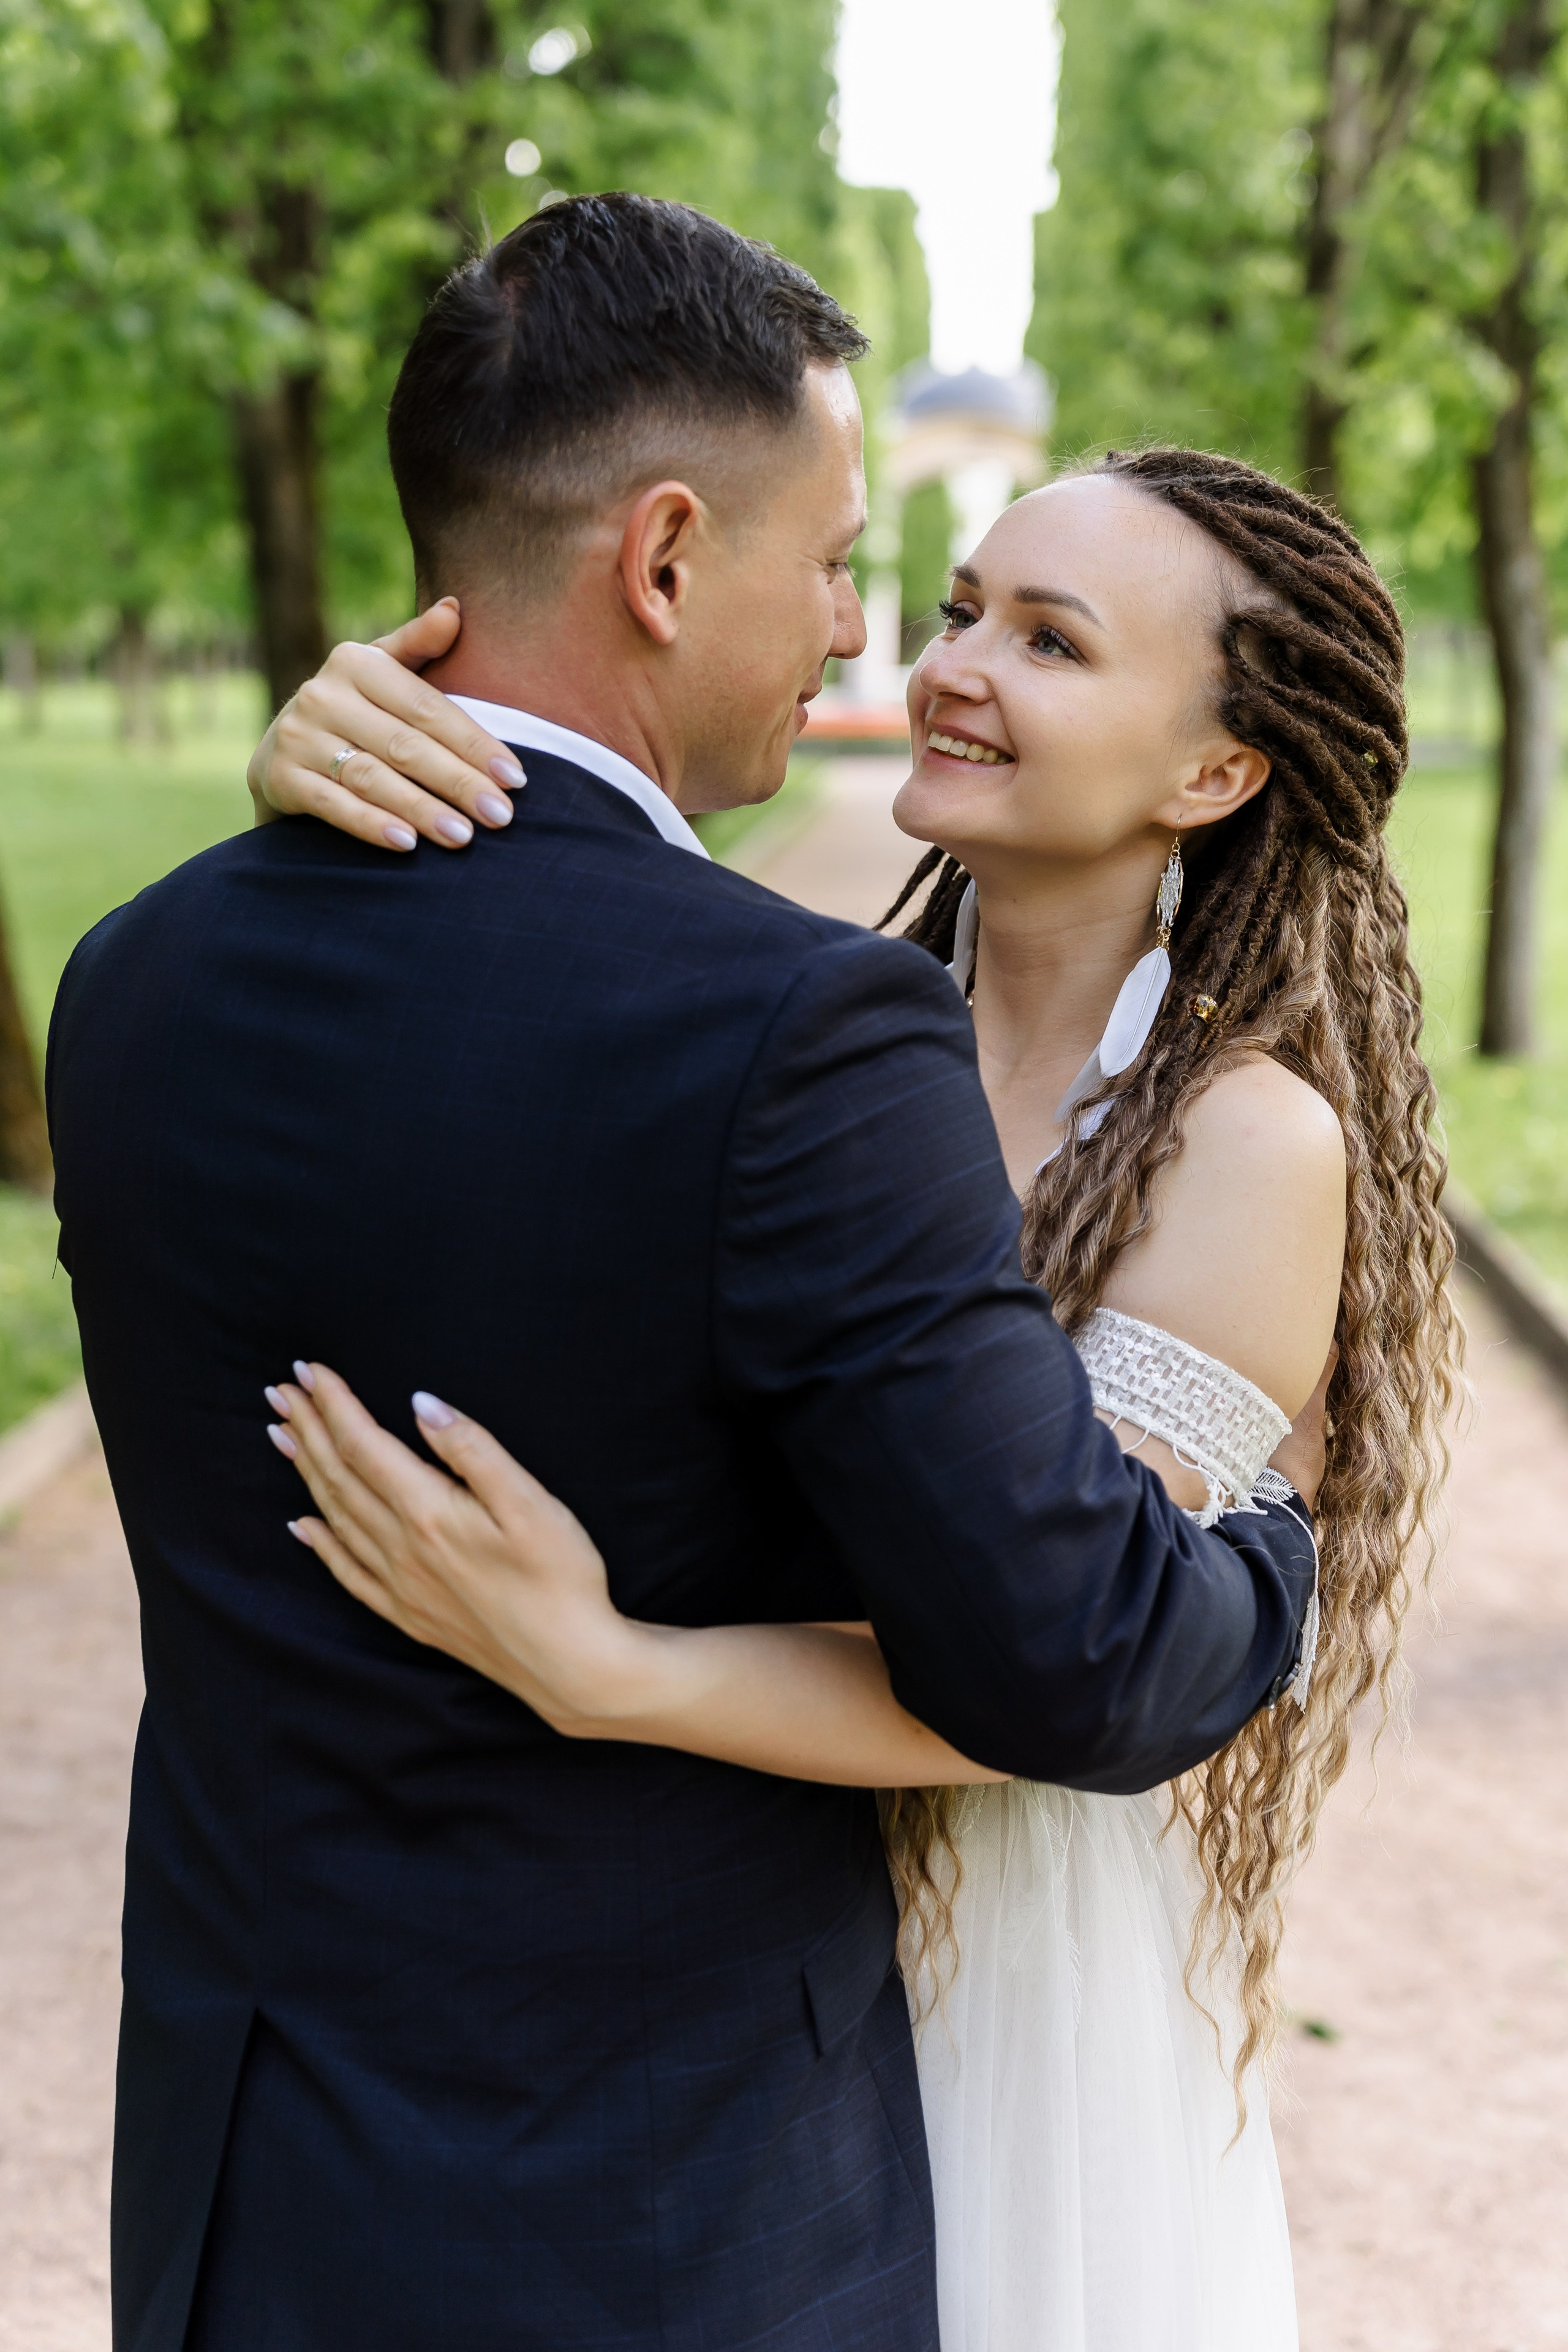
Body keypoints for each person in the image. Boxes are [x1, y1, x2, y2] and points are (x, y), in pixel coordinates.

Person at [48, 196, 1321, 2352]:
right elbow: (1074, 1654)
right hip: (662, 2214)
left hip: (246, 2186)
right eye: (857, 569)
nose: (876, 642)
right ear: (659, 560)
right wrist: (1275, 1549)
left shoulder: (140, 974)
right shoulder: (799, 1037)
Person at [250, 444, 1460, 2348]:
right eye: (967, 607)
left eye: (1051, 642)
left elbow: (1060, 1661)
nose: (958, 660)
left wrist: (614, 1667)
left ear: (1215, 772)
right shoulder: (795, 1018)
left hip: (992, 1946)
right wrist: (343, 761)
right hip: (692, 1910)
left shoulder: (1249, 1141)